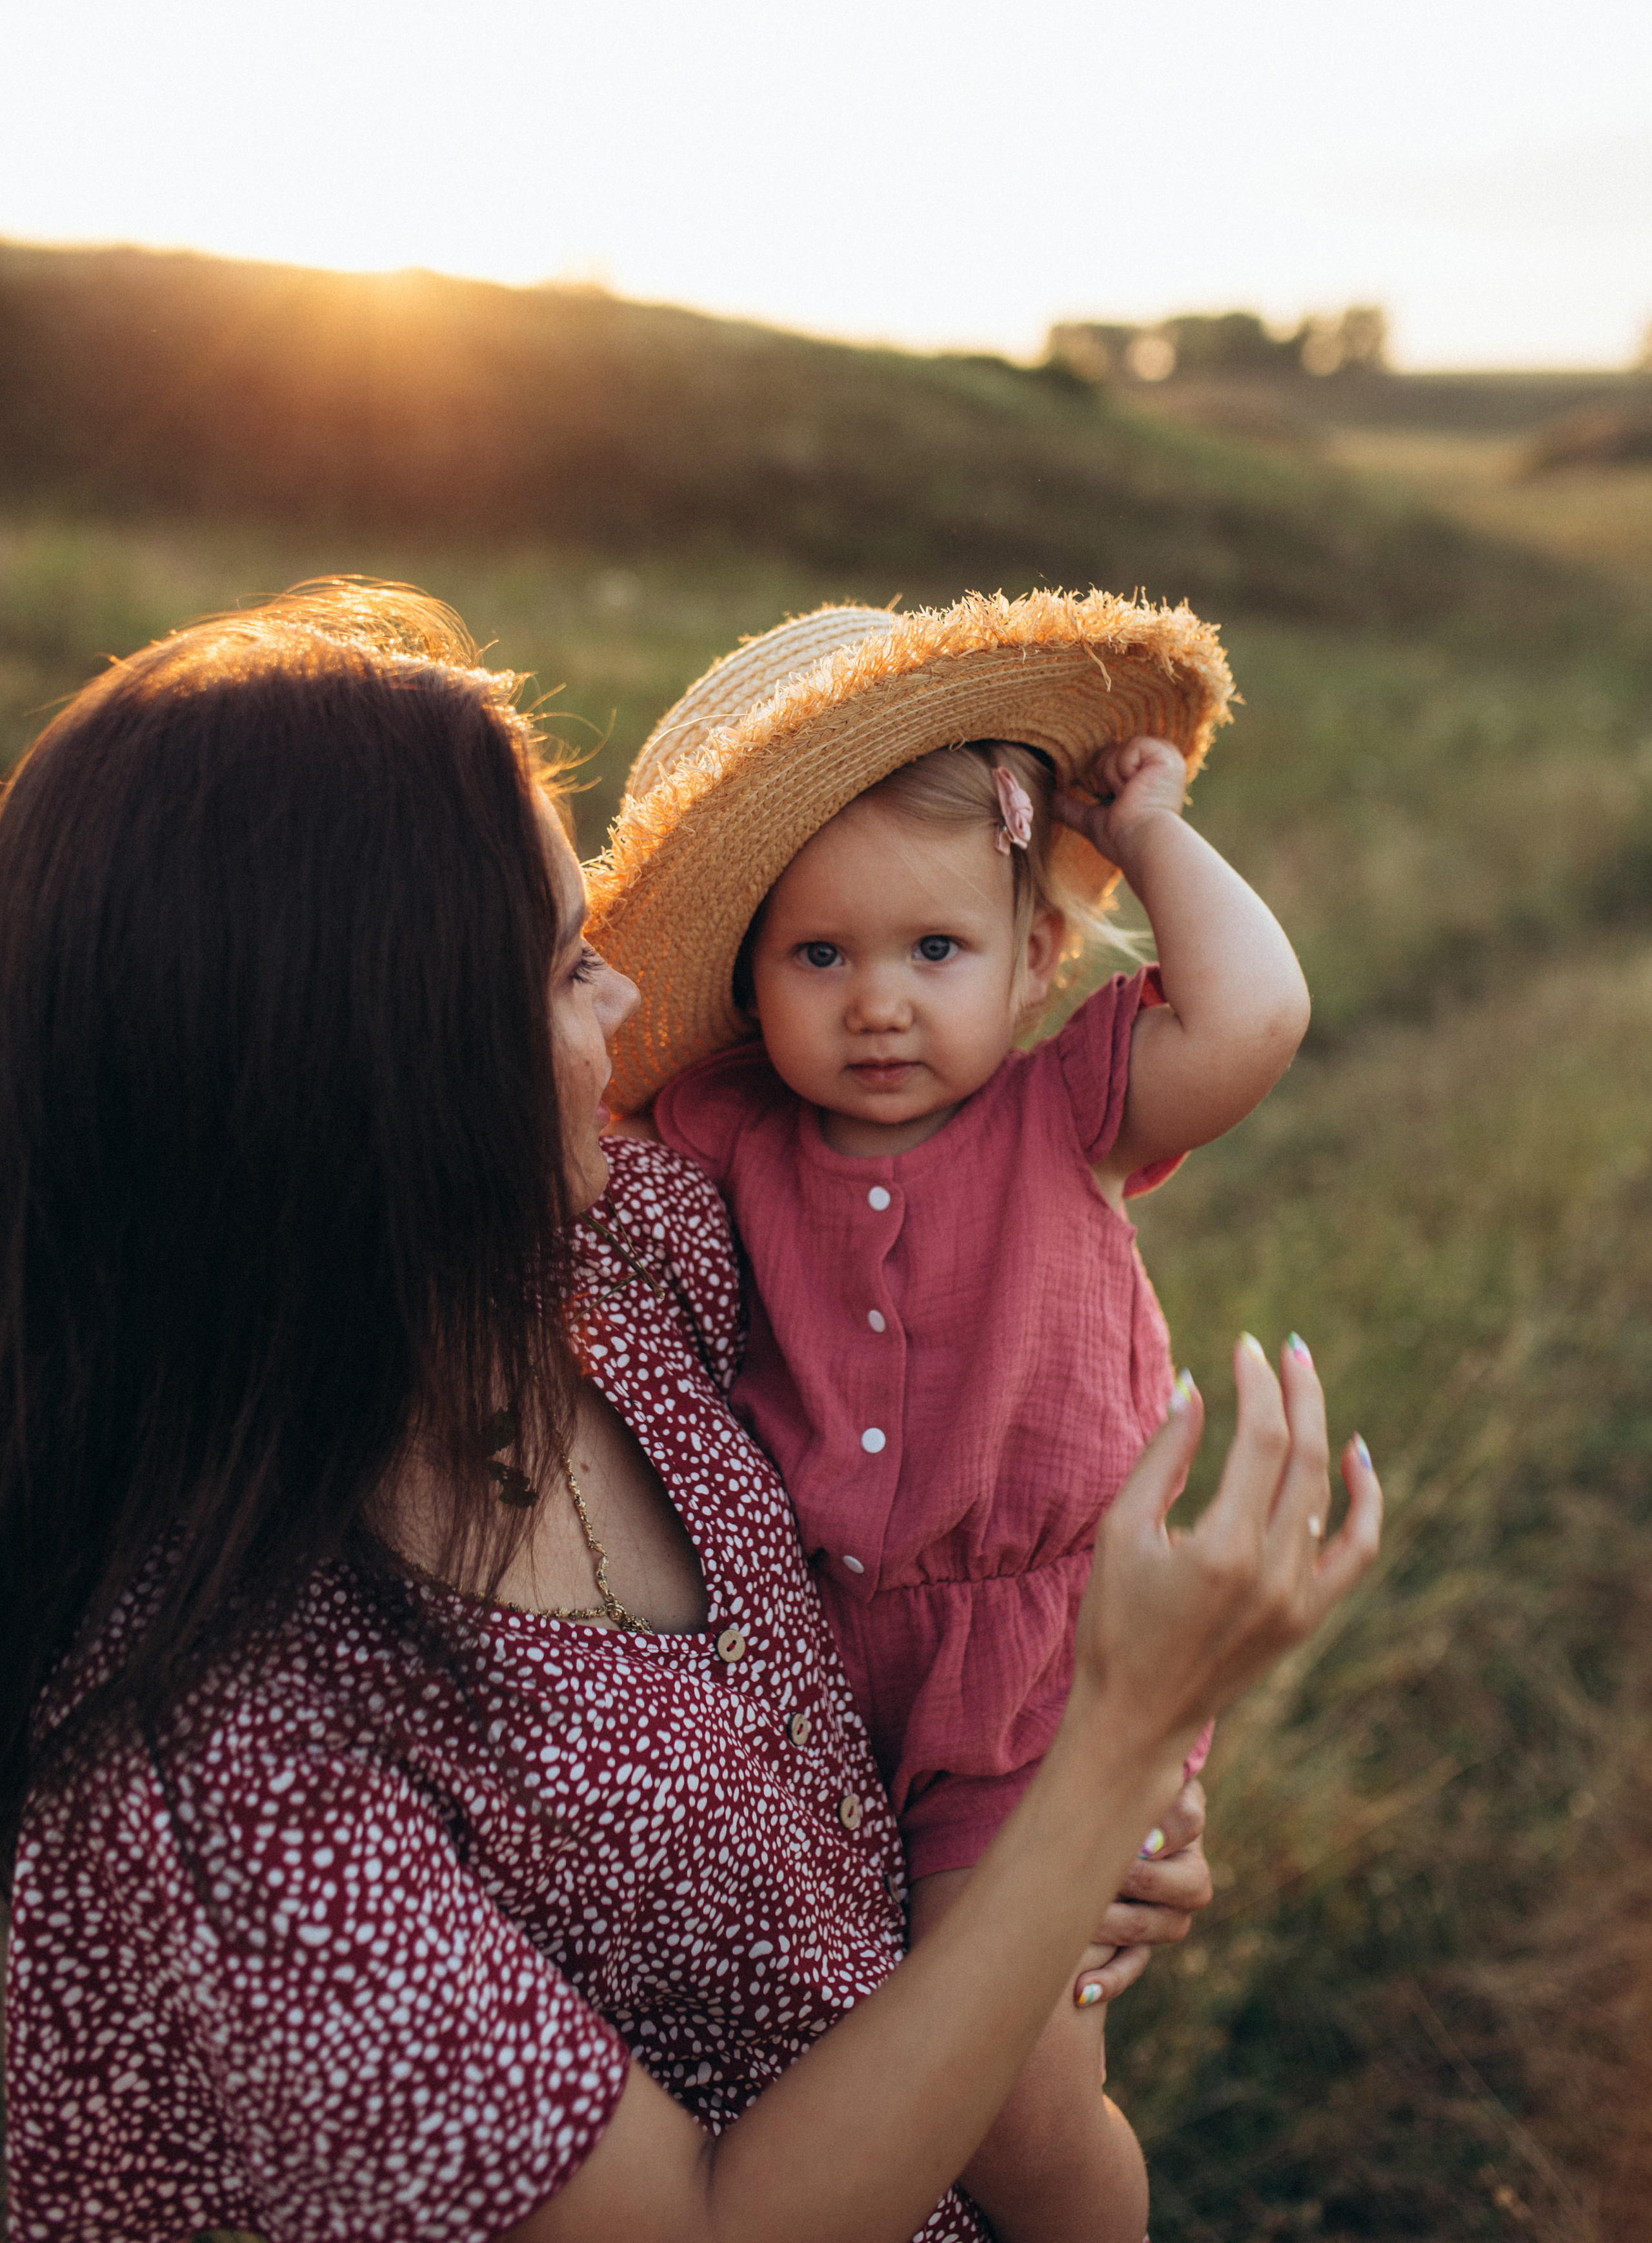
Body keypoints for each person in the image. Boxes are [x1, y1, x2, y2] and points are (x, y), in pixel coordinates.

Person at [0, 585, 1380, 2243]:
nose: (626, 1014)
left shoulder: (629, 1253)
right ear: (383, 1071)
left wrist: (1058, 1840)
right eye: (571, 964)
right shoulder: (219, 1795)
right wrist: (1116, 1744)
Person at [587, 593, 1313, 2242]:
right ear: (751, 978)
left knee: (1020, 2102)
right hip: (825, 1686)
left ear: (1034, 956)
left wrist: (1143, 831)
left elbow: (1257, 1017)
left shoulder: (1066, 1109)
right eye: (817, 957)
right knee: (865, 2052)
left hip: (1033, 1678)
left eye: (936, 951)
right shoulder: (725, 1135)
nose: (878, 1006)